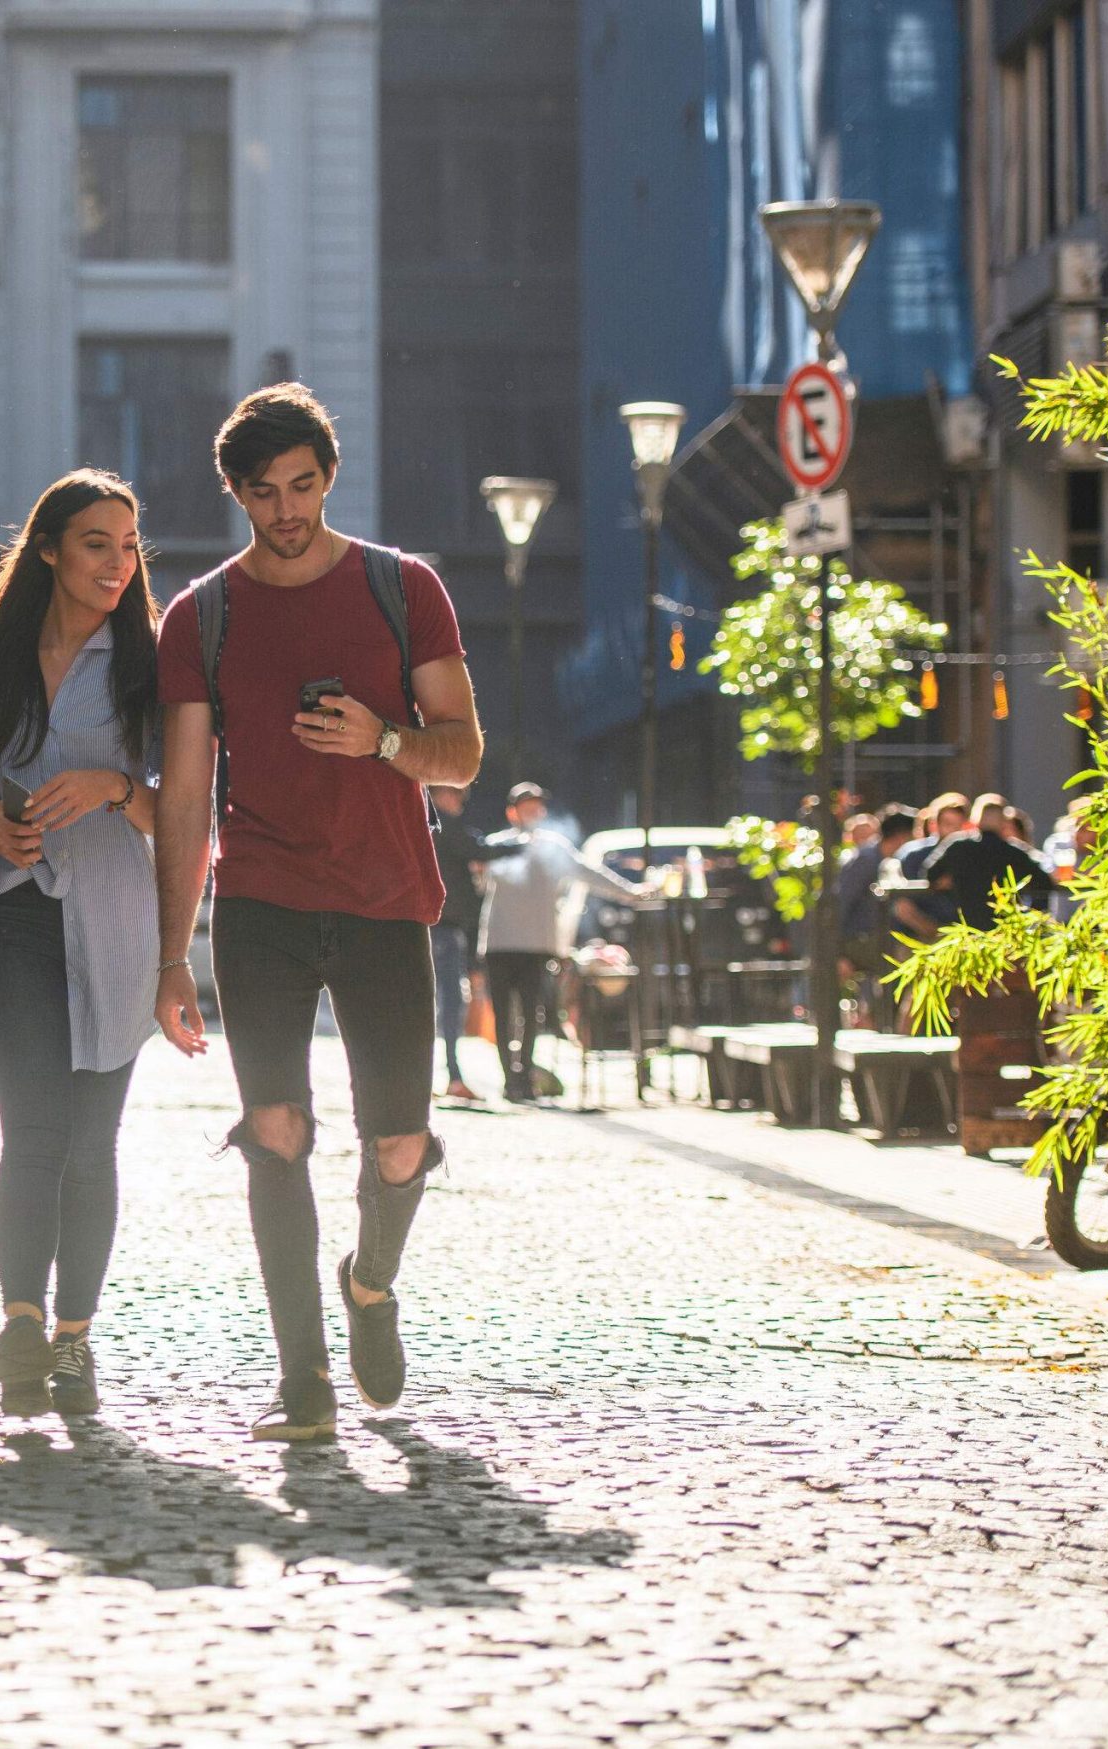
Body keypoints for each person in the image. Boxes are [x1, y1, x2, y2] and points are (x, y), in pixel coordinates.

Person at [153, 383, 483, 1443]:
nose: (286, 508)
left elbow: (464, 750)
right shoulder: (198, 617)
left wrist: (382, 742)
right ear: (236, 493)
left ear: (329, 477)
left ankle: (370, 1284)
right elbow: (186, 794)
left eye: (302, 485)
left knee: (398, 1144)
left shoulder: (403, 588)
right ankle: (303, 1380)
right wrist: (172, 955)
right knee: (275, 1131)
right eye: (264, 492)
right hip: (262, 901)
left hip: (388, 897)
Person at [0, 469, 163, 1419]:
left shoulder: (151, 666)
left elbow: (184, 814)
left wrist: (109, 785)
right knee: (36, 1127)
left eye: (129, 544)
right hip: (10, 910)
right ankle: (21, 1323)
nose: (117, 562)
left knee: (93, 1140)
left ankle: (74, 1342)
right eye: (96, 542)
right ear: (52, 550)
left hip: (114, 915)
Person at [475, 783, 655, 1103]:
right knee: (503, 1014)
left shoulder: (554, 846)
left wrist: (631, 892)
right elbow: (477, 882)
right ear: (512, 812)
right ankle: (509, 1079)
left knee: (532, 1014)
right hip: (499, 942)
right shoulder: (495, 845)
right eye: (526, 806)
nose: (533, 813)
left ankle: (525, 1075)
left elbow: (591, 874)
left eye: (537, 807)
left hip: (536, 944)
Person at [429, 784, 488, 1101]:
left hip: (439, 927)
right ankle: (450, 1077)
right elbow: (481, 851)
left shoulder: (433, 826)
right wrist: (522, 846)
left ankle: (443, 1077)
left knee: (442, 1004)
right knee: (447, 1003)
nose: (459, 803)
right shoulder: (444, 826)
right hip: (441, 928)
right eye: (453, 795)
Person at [838, 803, 918, 1027]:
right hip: (859, 940)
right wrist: (838, 952)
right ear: (902, 836)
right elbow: (840, 905)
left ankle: (875, 1019)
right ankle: (869, 1020)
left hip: (881, 938)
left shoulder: (892, 862)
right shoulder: (865, 860)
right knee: (900, 958)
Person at [926, 793, 1056, 928]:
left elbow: (931, 873)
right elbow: (1044, 882)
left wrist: (951, 879)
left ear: (976, 819)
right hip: (1005, 929)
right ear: (1004, 822)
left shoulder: (957, 847)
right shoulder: (1013, 853)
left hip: (967, 927)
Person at [888, 791, 970, 943]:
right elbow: (903, 903)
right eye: (948, 824)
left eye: (957, 826)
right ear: (934, 824)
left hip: (958, 937)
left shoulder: (970, 856)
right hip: (915, 938)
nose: (953, 832)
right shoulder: (912, 855)